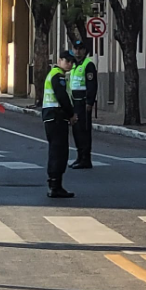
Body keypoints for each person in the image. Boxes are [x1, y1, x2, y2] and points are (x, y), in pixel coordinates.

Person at [43, 50, 78, 198]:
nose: (69, 64)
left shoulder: (56, 74)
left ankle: (55, 184)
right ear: (60, 60)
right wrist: (71, 114)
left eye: (71, 61)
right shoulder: (58, 76)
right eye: (67, 60)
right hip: (56, 116)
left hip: (52, 117)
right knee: (59, 152)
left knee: (56, 151)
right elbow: (62, 97)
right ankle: (55, 185)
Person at [69, 40, 98, 169]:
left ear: (85, 51)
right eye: (75, 49)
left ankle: (86, 158)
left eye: (80, 49)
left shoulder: (88, 65)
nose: (78, 52)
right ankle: (79, 157)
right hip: (74, 102)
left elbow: (92, 85)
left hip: (83, 102)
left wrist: (89, 102)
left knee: (84, 130)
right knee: (76, 130)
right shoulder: (74, 65)